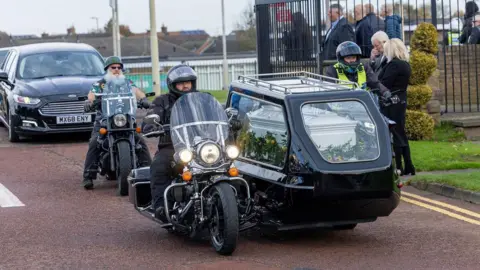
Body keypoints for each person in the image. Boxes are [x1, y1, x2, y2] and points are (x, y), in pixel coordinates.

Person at [82, 56, 152, 189]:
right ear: (107, 69)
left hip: (125, 119)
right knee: (94, 142)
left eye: (119, 68)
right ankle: (88, 176)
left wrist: (143, 99)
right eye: (113, 67)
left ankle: (149, 172)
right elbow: (91, 95)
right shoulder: (100, 84)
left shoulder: (127, 82)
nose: (116, 70)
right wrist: (89, 102)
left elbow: (137, 92)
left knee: (140, 141)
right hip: (104, 120)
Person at [142, 64, 198, 222]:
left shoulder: (203, 98)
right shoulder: (162, 101)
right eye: (181, 83)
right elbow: (152, 115)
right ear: (173, 85)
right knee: (159, 165)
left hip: (202, 146)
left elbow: (217, 113)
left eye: (189, 82)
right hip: (172, 147)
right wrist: (151, 124)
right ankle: (160, 205)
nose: (185, 86)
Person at [378, 38, 415, 176]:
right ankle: (409, 164)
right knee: (401, 132)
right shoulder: (405, 64)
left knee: (396, 133)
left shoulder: (393, 65)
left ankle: (400, 165)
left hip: (391, 101)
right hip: (401, 99)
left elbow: (384, 83)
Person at [325, 41, 391, 100]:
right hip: (342, 110)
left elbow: (375, 83)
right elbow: (330, 92)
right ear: (341, 59)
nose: (351, 60)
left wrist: (385, 92)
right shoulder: (333, 70)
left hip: (364, 106)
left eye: (353, 57)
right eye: (348, 58)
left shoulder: (364, 67)